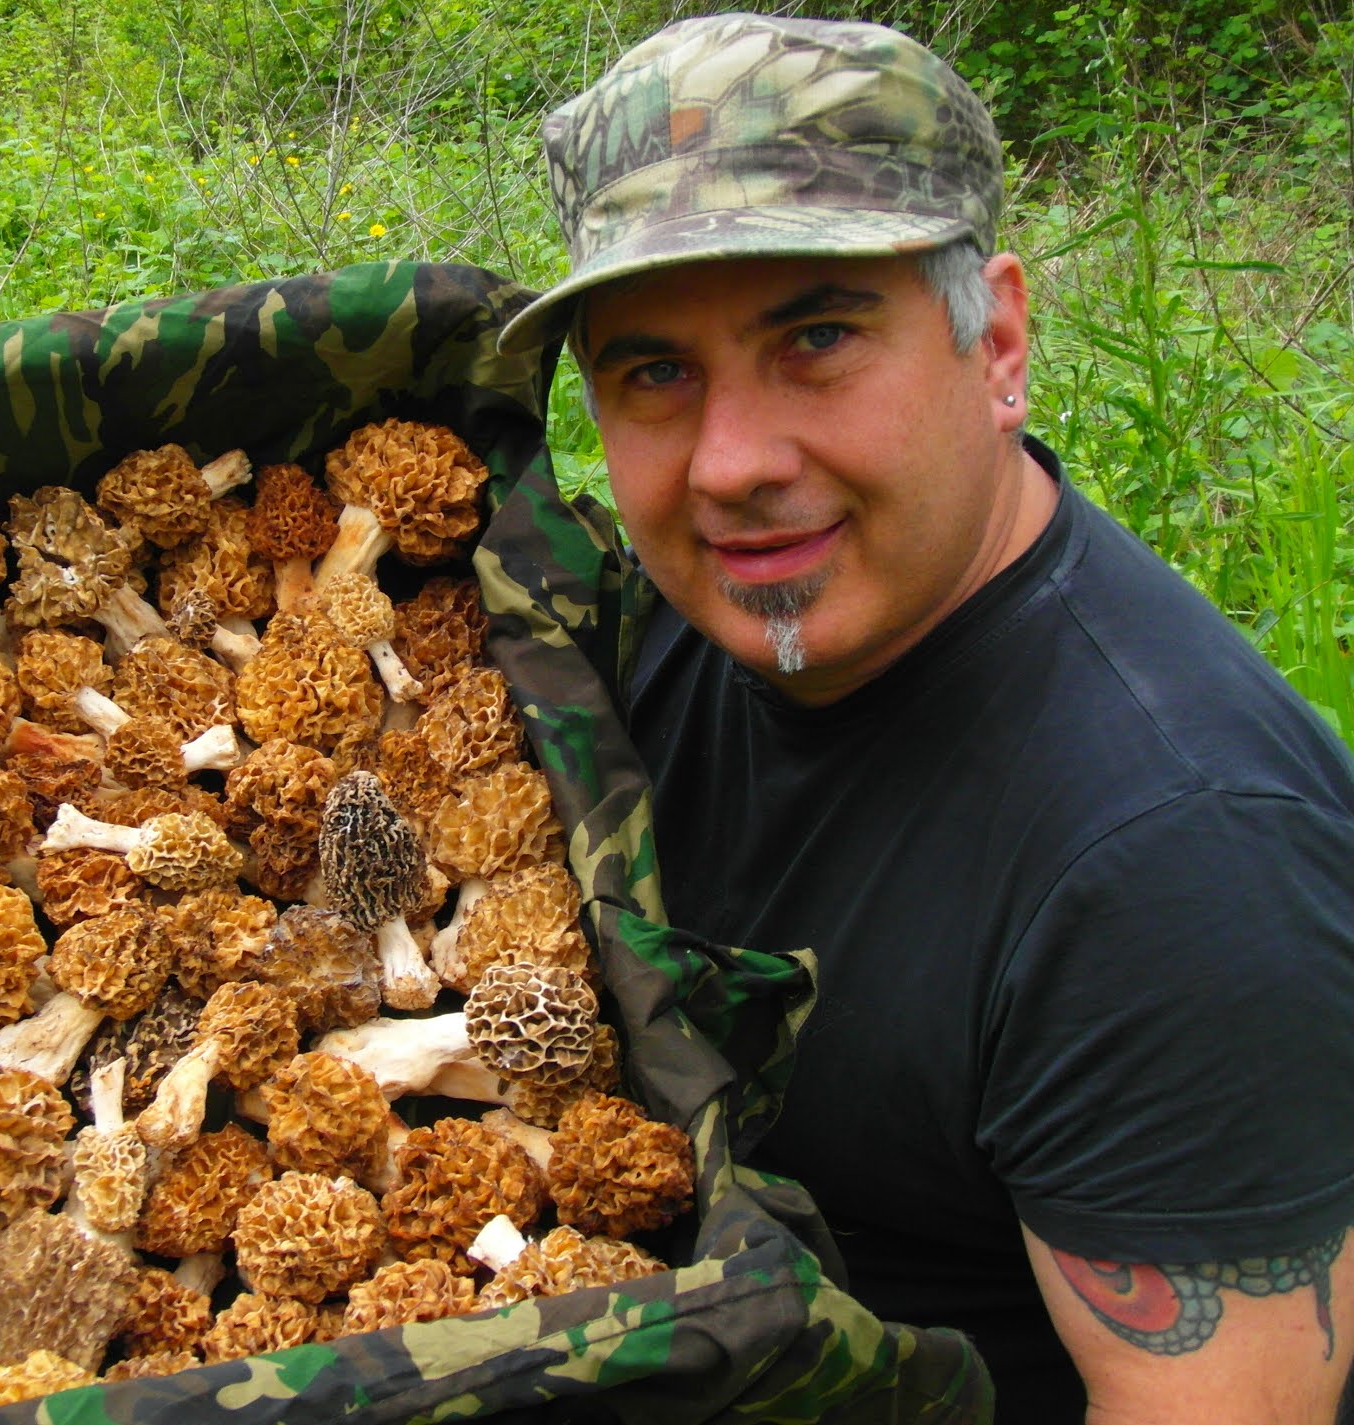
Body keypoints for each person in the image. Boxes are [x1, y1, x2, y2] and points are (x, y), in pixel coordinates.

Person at [497, 14, 1354, 1423]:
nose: (731, 464)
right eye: (654, 372)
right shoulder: (669, 630)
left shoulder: (1175, 869)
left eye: (818, 337)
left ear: (998, 338)